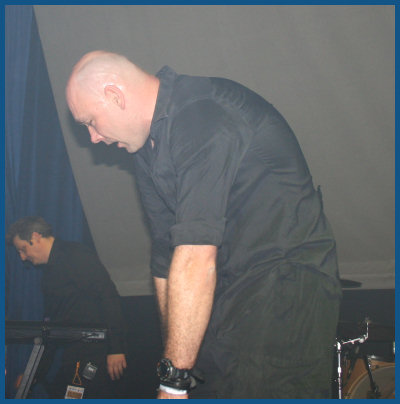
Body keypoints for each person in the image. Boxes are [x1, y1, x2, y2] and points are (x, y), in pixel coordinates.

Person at [65, 51, 342, 399]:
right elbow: (166, 259)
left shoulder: (203, 114)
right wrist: (173, 363)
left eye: (91, 121)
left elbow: (196, 255)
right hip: (226, 291)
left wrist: (173, 381)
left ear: (115, 95)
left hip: (284, 286)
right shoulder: (146, 150)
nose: (93, 138)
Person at [6, 216, 128, 398]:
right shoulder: (48, 276)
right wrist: (32, 375)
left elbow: (108, 297)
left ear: (36, 237)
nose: (23, 257)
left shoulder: (76, 255)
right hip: (74, 353)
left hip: (95, 351)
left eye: (23, 249)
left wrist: (116, 348)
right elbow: (50, 329)